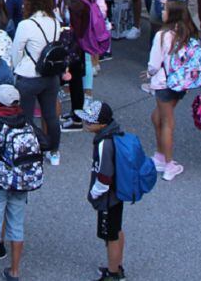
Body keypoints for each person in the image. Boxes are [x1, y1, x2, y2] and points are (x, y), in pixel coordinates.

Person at [0, 83, 45, 281]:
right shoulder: (24, 119)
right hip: (22, 180)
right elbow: (46, 142)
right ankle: (14, 271)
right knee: (16, 224)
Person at [144, 0, 199, 181]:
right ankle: (161, 156)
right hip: (179, 83)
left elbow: (154, 63)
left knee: (166, 121)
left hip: (163, 83)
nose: (162, 12)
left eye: (165, 9)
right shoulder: (186, 33)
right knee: (157, 117)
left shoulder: (162, 35)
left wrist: (150, 73)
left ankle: (168, 164)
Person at [10, 0, 63, 165]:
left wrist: (16, 68)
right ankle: (54, 151)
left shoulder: (26, 24)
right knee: (51, 116)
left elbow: (16, 51)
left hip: (28, 76)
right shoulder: (55, 22)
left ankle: (33, 149)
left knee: (26, 117)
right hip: (51, 75)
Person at [77, 100, 126, 281]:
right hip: (117, 193)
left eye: (90, 121)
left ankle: (113, 274)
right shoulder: (115, 133)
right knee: (116, 230)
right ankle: (117, 266)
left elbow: (105, 176)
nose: (86, 123)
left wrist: (94, 193)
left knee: (110, 235)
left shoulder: (104, 143)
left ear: (102, 124)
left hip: (107, 197)